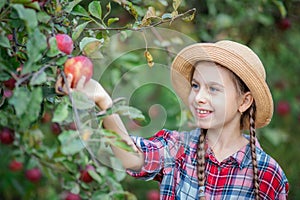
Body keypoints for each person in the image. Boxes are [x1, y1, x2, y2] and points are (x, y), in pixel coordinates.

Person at [56, 40, 289, 199]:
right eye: (196, 86)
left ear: (244, 101)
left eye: (214, 89)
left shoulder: (268, 174)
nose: (198, 97)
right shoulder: (178, 148)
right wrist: (102, 99)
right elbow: (132, 159)